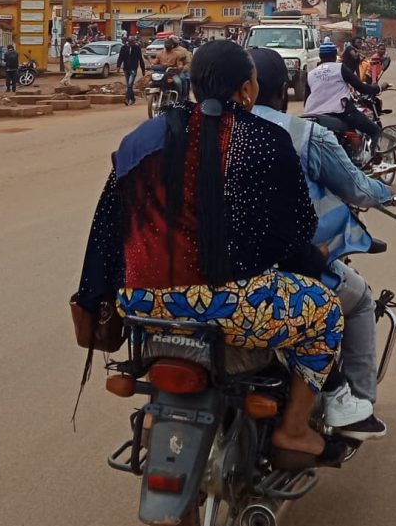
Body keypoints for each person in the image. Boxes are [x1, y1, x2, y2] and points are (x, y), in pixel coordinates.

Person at [74, 41, 343, 463]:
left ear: (193, 85)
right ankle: (293, 430)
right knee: (326, 311)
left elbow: (108, 226)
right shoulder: (264, 138)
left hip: (140, 302)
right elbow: (296, 232)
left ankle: (157, 414)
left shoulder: (141, 138)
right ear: (246, 90)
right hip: (228, 309)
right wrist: (312, 259)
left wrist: (94, 296)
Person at [248, 47, 394, 440]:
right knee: (357, 299)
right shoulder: (297, 136)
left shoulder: (203, 134)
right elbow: (355, 187)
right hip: (273, 274)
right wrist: (385, 193)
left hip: (210, 271)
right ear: (281, 90)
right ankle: (353, 404)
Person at [304, 40, 383, 145]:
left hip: (313, 115)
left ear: (320, 56)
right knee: (375, 131)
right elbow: (362, 88)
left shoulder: (311, 74)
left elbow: (306, 101)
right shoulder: (340, 68)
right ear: (335, 55)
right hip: (341, 113)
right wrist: (378, 88)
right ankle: (375, 159)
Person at [118, 35, 144, 106]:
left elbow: (140, 59)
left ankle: (127, 99)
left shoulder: (137, 48)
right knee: (129, 85)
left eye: (133, 42)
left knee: (129, 85)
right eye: (131, 42)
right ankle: (133, 99)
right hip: (126, 69)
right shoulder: (123, 48)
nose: (133, 43)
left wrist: (143, 70)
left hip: (133, 69)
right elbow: (120, 58)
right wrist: (118, 66)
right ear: (128, 42)